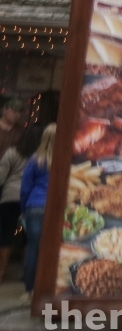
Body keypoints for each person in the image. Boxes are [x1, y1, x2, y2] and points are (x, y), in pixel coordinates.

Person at [0, 126, 41, 284]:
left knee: (5, 234)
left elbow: (1, 176)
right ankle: (26, 274)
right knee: (29, 237)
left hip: (9, 197)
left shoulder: (12, 152)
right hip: (31, 199)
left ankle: (1, 273)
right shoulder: (40, 157)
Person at [20, 123, 55, 298]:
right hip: (55, 208)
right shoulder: (64, 160)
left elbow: (25, 187)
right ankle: (48, 288)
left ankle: (29, 290)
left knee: (33, 247)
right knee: (52, 248)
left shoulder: (35, 159)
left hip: (34, 206)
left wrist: (24, 209)